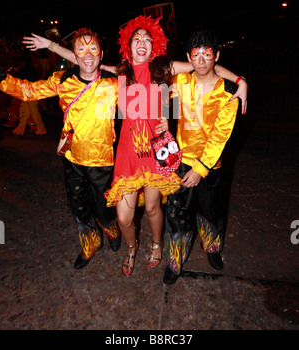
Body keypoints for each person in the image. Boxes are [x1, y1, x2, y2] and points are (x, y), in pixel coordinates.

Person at [23, 17, 248, 277]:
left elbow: (206, 66)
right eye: (136, 39)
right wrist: (50, 45)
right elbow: (85, 60)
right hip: (128, 154)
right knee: (124, 218)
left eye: (147, 39)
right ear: (127, 46)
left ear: (155, 45)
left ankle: (156, 243)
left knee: (153, 208)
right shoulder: (120, 72)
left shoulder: (165, 67)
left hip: (155, 153)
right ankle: (132, 246)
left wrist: (240, 81)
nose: (142, 43)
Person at [0, 28, 121, 270]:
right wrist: (2, 79)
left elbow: (147, 87)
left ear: (102, 54)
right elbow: (30, 91)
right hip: (72, 158)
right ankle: (90, 242)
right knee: (78, 206)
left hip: (102, 163)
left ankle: (111, 228)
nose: (87, 54)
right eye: (81, 50)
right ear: (74, 55)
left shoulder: (114, 84)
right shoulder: (64, 81)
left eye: (93, 49)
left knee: (104, 209)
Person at [163, 28, 240, 285]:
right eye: (196, 55)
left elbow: (221, 136)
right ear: (189, 57)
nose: (202, 61)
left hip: (210, 165)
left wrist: (200, 169)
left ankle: (212, 248)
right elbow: (160, 92)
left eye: (207, 54)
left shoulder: (229, 92)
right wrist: (163, 119)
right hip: (180, 162)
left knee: (211, 212)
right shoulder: (182, 82)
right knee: (176, 215)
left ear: (216, 55)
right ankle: (174, 261)